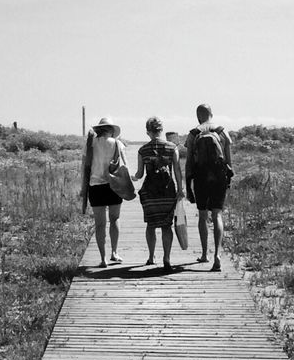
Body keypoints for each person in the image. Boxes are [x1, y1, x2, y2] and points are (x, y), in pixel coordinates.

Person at [184, 103, 233, 272]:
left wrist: (188, 186)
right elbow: (228, 162)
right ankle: (218, 254)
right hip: (218, 175)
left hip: (201, 176)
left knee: (203, 215)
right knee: (217, 213)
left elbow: (189, 162)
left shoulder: (193, 134)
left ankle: (205, 253)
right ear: (212, 114)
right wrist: (227, 179)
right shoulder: (222, 131)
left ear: (198, 116)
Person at [135, 116, 184, 269]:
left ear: (148, 132)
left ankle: (151, 257)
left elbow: (140, 174)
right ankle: (167, 258)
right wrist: (180, 190)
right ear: (161, 130)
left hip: (150, 193)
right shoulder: (172, 148)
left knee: (150, 225)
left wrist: (130, 177)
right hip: (167, 191)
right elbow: (177, 171)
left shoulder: (143, 150)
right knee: (166, 226)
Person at [81, 116, 126, 268]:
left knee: (100, 224)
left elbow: (84, 167)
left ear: (99, 129)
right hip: (113, 185)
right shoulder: (117, 144)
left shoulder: (90, 144)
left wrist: (83, 188)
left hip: (95, 186)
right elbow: (124, 166)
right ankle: (114, 252)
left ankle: (103, 258)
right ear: (112, 130)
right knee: (115, 219)